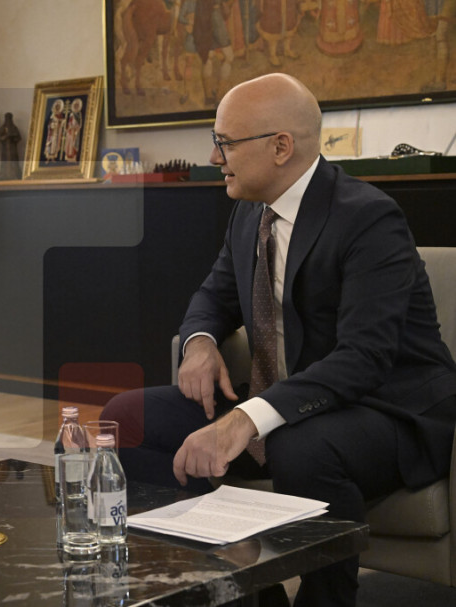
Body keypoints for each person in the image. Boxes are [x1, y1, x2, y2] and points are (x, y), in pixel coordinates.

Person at [101, 74, 456, 606]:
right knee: (126, 419)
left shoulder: (368, 218)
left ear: (281, 147)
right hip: (283, 404)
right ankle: (238, 590)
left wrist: (246, 419)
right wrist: (200, 342)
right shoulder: (251, 213)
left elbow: (364, 359)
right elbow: (213, 295)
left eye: (224, 142)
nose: (215, 157)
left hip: (386, 409)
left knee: (299, 444)